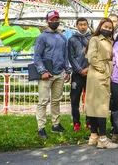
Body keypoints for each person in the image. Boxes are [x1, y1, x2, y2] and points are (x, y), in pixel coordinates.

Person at [34, 11, 71, 140]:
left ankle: (56, 124)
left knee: (56, 100)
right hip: (46, 74)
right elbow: (37, 56)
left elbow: (65, 56)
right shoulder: (42, 37)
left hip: (59, 73)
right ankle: (41, 127)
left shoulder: (62, 37)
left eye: (57, 19)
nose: (55, 21)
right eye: (52, 19)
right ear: (47, 21)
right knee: (43, 101)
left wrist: (67, 71)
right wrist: (42, 71)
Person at [85, 18, 118, 149]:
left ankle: (94, 135)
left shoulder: (109, 40)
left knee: (95, 105)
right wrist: (103, 68)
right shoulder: (96, 39)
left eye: (110, 28)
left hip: (99, 73)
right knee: (101, 106)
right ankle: (103, 138)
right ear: (100, 26)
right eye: (106, 27)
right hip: (99, 74)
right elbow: (91, 57)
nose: (108, 29)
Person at [68, 17, 91, 132]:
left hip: (89, 73)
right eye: (80, 24)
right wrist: (79, 70)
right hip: (77, 74)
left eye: (85, 24)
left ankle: (89, 122)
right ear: (76, 25)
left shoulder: (92, 39)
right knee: (75, 98)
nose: (83, 26)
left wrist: (88, 68)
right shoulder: (72, 39)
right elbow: (71, 57)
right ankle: (76, 122)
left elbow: (93, 55)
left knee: (90, 99)